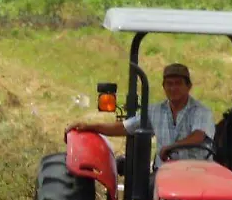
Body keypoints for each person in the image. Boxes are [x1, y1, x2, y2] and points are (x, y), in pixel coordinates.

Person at [66, 63, 215, 168]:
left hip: (195, 172)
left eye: (178, 83)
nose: (173, 88)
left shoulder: (201, 111)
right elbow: (124, 128)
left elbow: (198, 136)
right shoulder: (155, 111)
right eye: (169, 84)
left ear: (188, 86)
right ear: (163, 87)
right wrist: (90, 126)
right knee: (147, 192)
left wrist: (171, 148)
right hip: (165, 172)